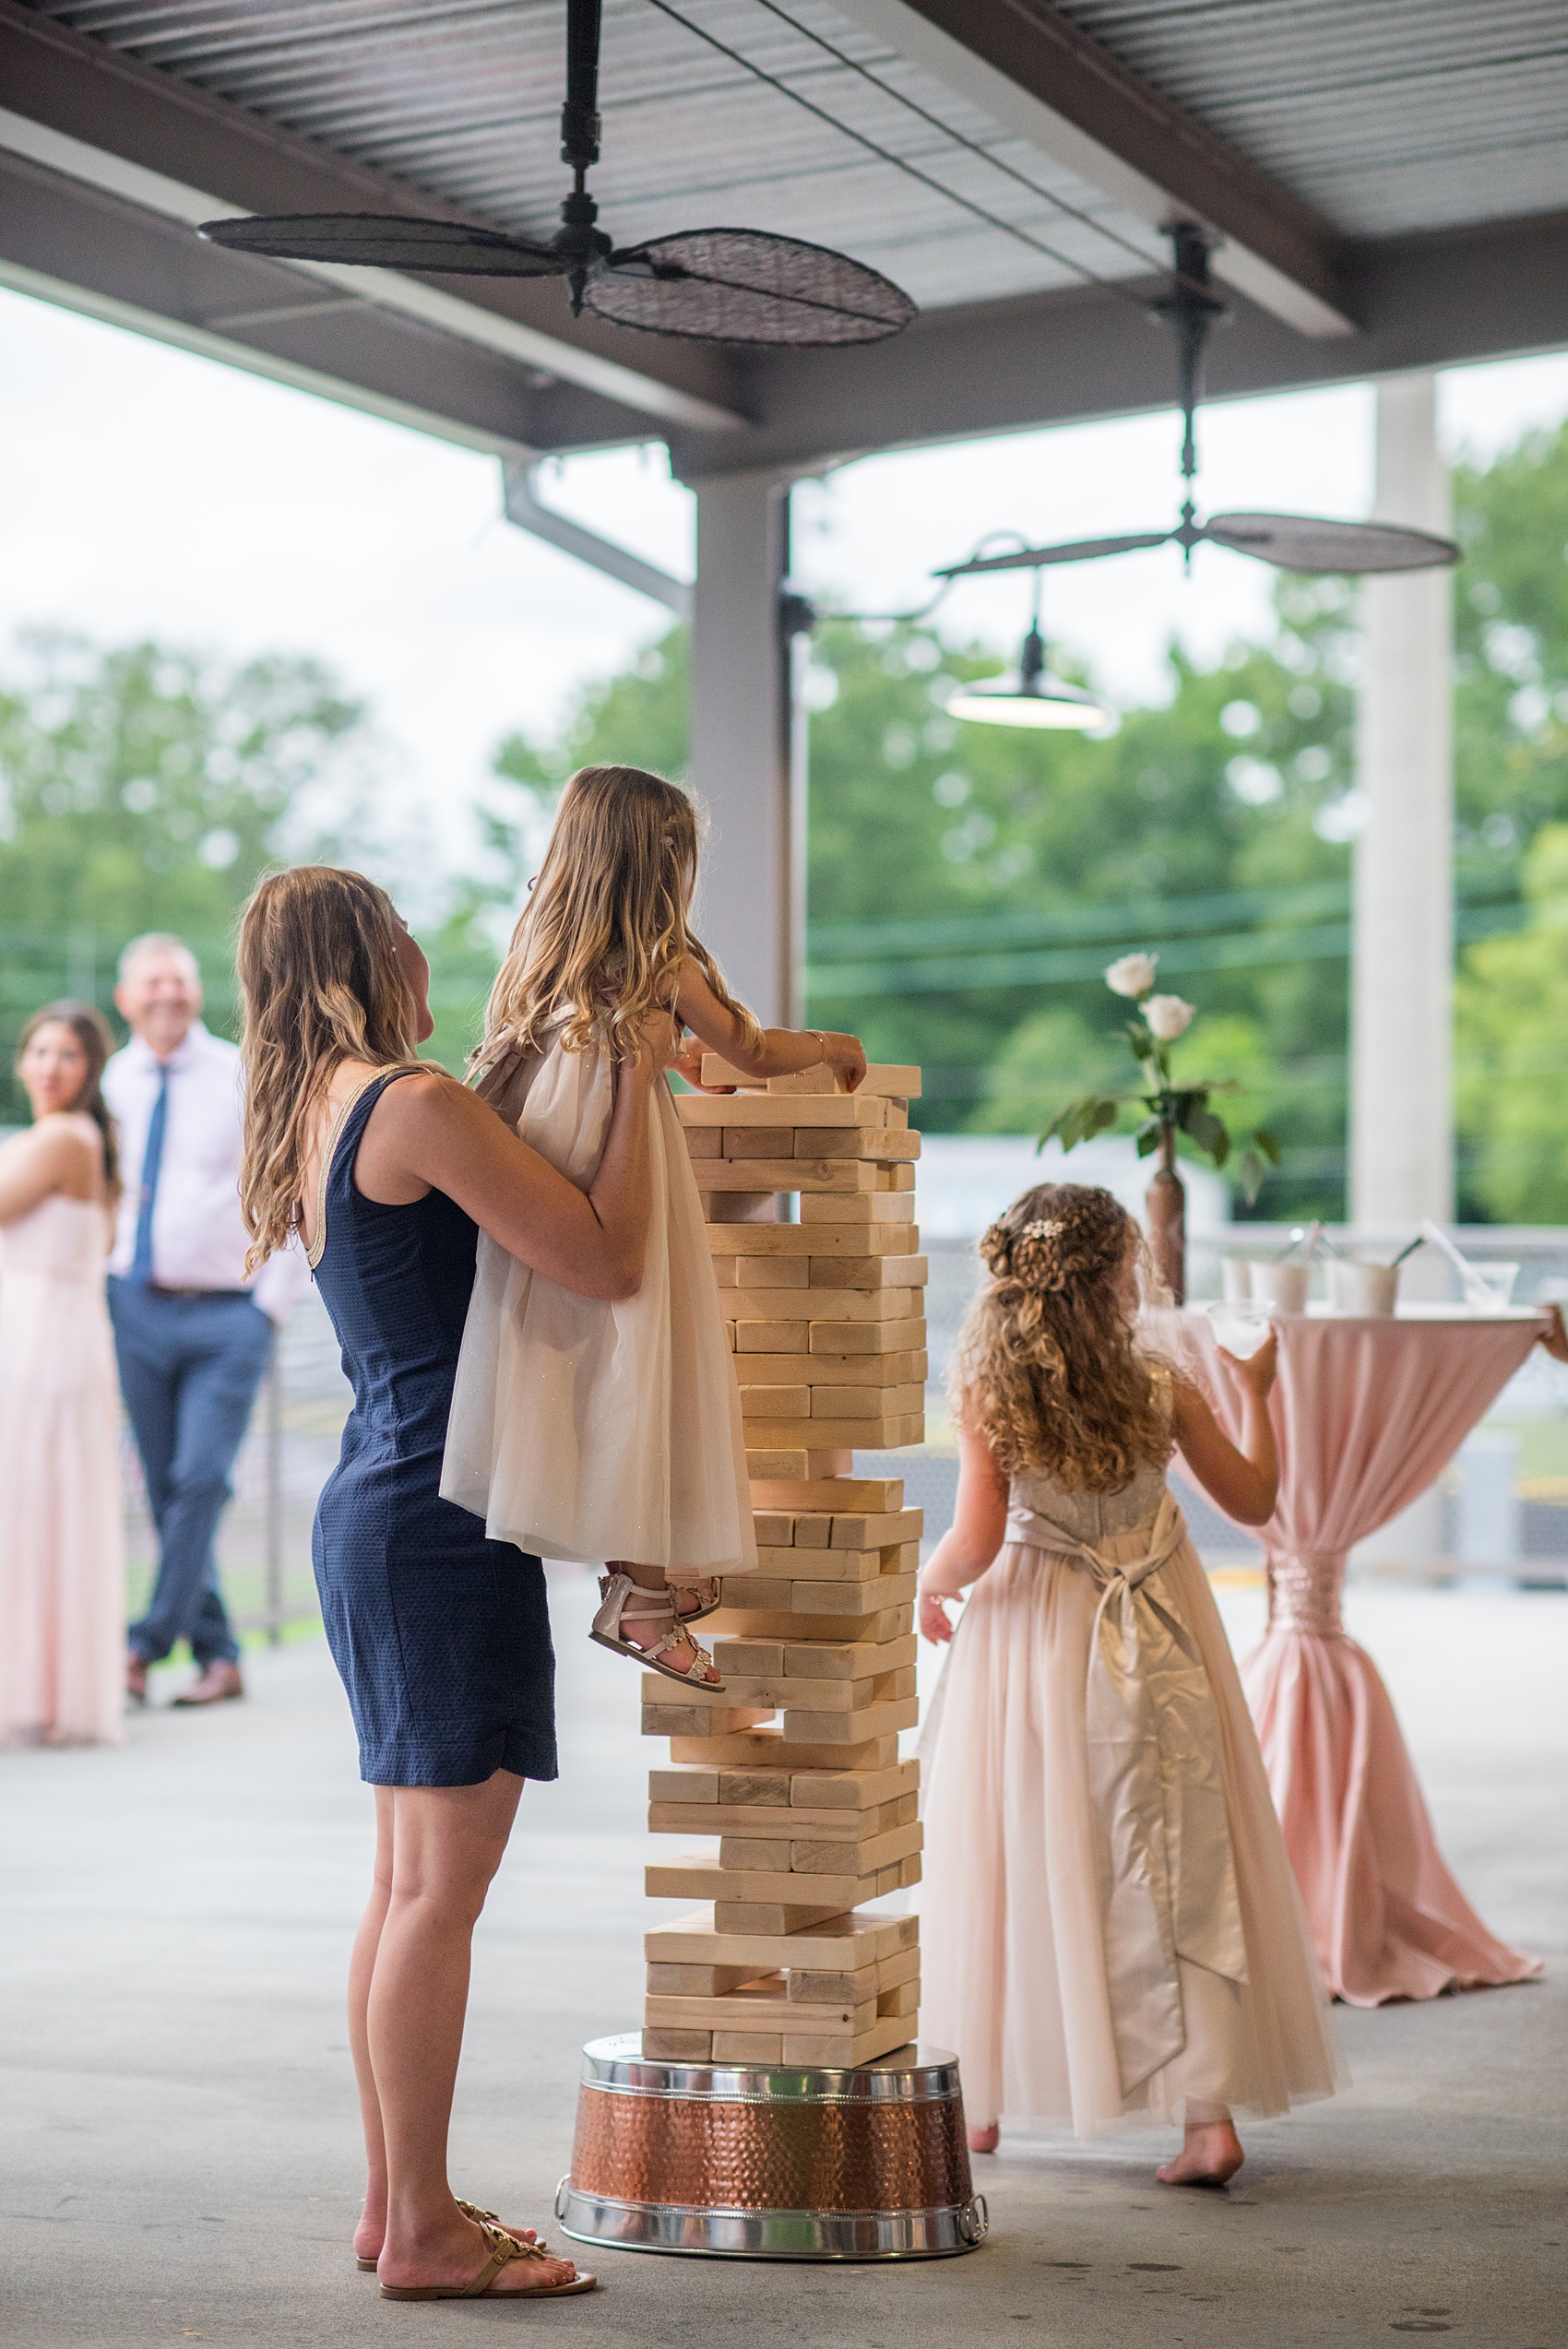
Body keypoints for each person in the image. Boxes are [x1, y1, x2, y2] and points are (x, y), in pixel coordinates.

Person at [235, 863, 671, 2299]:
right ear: (370, 951)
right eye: (408, 930)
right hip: (435, 1521)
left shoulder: (316, 1110)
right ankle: (422, 2228)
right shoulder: (412, 1103)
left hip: (377, 1507)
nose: (430, 951)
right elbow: (604, 1259)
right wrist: (644, 1084)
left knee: (403, 1884)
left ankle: (395, 2202)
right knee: (437, 1895)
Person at [918, 1183, 1344, 2187]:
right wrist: (1258, 1389)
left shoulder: (990, 1389)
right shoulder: (1161, 1381)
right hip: (1155, 1629)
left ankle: (978, 2100)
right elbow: (1255, 1499)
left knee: (1016, 1843)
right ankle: (1204, 2121)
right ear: (1115, 1278)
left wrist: (925, 1585)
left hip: (1035, 1638)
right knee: (1176, 1847)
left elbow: (976, 1542)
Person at [442, 763, 866, 1687]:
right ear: (660, 860)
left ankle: (641, 1580)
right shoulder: (661, 968)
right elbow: (747, 1051)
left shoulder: (538, 963)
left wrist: (664, 1053)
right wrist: (828, 1046)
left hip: (551, 1174)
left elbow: (525, 1077)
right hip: (626, 1173)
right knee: (643, 1357)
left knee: (594, 1364)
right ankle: (641, 1597)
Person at [103, 933, 309, 1707]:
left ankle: (143, 1643)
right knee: (163, 1484)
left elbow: (289, 1185)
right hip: (137, 1304)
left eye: (180, 981)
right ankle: (219, 1652)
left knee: (200, 1477)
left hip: (230, 1313)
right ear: (126, 998)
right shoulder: (115, 1079)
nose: (167, 994)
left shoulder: (239, 1073)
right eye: (151, 982)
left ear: (198, 992)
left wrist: (269, 1304)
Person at [0, 1002, 125, 1747]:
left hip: (41, 1338)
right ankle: (36, 1681)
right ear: (20, 1061)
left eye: (67, 1055)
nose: (49, 1065)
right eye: (38, 1050)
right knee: (41, 1506)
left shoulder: (61, 1138)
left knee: (27, 1504)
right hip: (55, 1331)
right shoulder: (86, 1138)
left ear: (89, 1072)